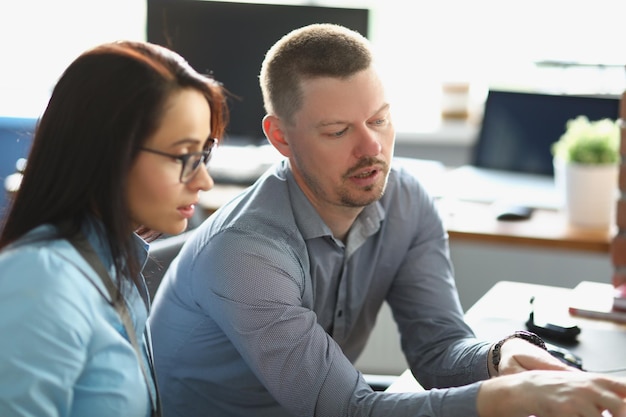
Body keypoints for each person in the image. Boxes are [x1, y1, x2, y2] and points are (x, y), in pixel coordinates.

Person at [149, 24, 626, 417]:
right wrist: (508, 397)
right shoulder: (246, 253)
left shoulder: (406, 200)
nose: (371, 149)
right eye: (338, 131)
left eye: (379, 120)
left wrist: (498, 358)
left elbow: (438, 349)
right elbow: (348, 412)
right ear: (281, 138)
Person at [0, 40, 228, 417]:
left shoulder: (113, 265)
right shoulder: (43, 279)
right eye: (184, 156)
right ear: (108, 151)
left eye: (204, 153)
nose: (204, 180)